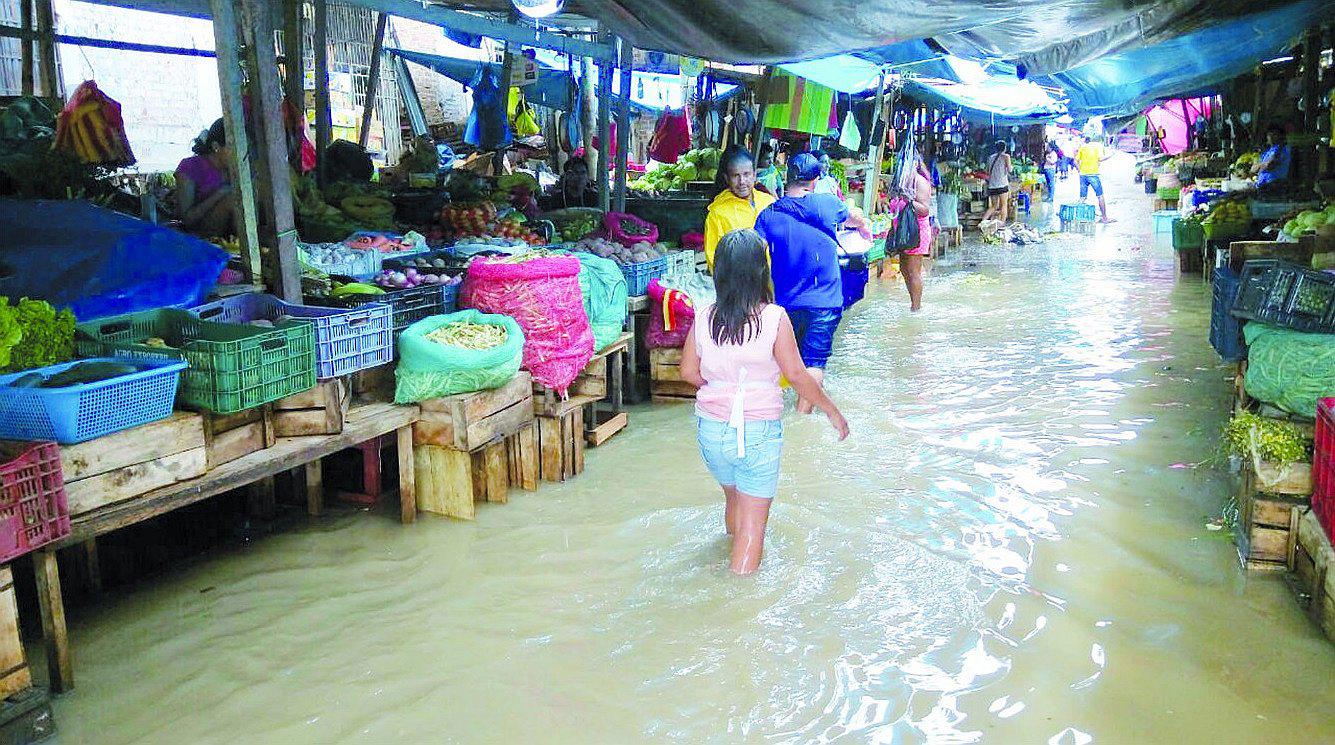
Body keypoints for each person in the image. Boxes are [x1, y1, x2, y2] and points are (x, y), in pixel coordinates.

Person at [679, 229, 849, 575]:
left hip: (712, 432)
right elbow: (799, 377)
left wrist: (721, 389)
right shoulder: (774, 318)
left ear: (719, 273)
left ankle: (730, 554)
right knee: (754, 529)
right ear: (761, 271)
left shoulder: (704, 317)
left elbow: (687, 372)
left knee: (734, 499)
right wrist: (832, 411)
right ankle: (738, 607)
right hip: (756, 434)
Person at [754, 152, 866, 414]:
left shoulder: (767, 215)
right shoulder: (827, 204)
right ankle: (802, 418)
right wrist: (863, 229)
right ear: (815, 181)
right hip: (824, 301)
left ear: (787, 178)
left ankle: (783, 412)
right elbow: (853, 219)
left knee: (791, 362)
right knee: (814, 361)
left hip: (785, 304)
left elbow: (755, 254)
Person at [704, 147, 777, 270]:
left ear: (754, 175)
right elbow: (714, 261)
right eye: (736, 176)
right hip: (739, 286)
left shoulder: (769, 202)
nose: (742, 181)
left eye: (746, 174)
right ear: (727, 179)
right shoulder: (717, 213)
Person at [175, 118, 237, 237]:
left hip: (230, 235)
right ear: (216, 147)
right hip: (199, 236)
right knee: (233, 200)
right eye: (233, 147)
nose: (239, 153)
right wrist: (220, 193)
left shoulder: (235, 170)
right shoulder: (190, 167)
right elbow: (187, 220)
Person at [901, 150, 934, 312]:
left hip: (917, 231)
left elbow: (924, 209)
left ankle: (916, 308)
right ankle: (913, 303)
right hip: (905, 230)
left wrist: (907, 201)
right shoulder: (905, 180)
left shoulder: (919, 182)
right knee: (904, 269)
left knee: (913, 271)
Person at [1075, 134, 1113, 223]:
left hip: (1083, 175)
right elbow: (1101, 159)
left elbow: (1075, 161)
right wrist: (1111, 155)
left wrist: (1079, 170)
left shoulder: (1082, 148)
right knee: (1100, 196)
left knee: (1082, 198)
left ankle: (1077, 217)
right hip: (1093, 175)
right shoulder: (1097, 147)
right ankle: (1104, 218)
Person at [979, 141, 1011, 225]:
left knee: (993, 206)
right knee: (1003, 205)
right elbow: (1010, 169)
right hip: (1002, 185)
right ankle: (1002, 224)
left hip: (992, 185)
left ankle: (982, 222)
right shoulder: (1006, 156)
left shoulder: (990, 157)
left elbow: (987, 171)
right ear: (1004, 148)